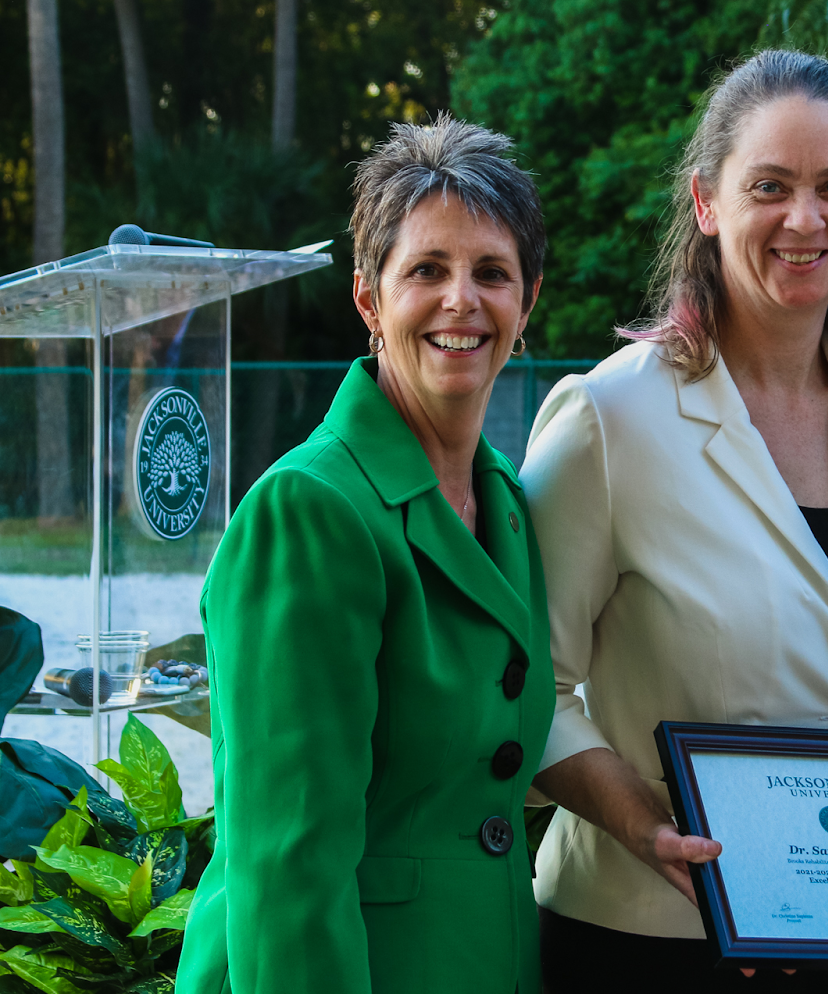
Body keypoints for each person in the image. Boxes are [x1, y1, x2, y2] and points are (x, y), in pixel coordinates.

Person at [520, 50, 828, 994]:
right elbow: (527, 684)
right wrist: (640, 824)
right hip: (655, 942)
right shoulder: (608, 422)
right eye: (769, 187)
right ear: (706, 203)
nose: (805, 219)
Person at [176, 116, 556, 994]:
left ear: (526, 303)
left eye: (491, 273)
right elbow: (288, 868)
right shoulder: (309, 510)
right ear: (368, 300)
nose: (461, 299)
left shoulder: (504, 500)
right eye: (427, 269)